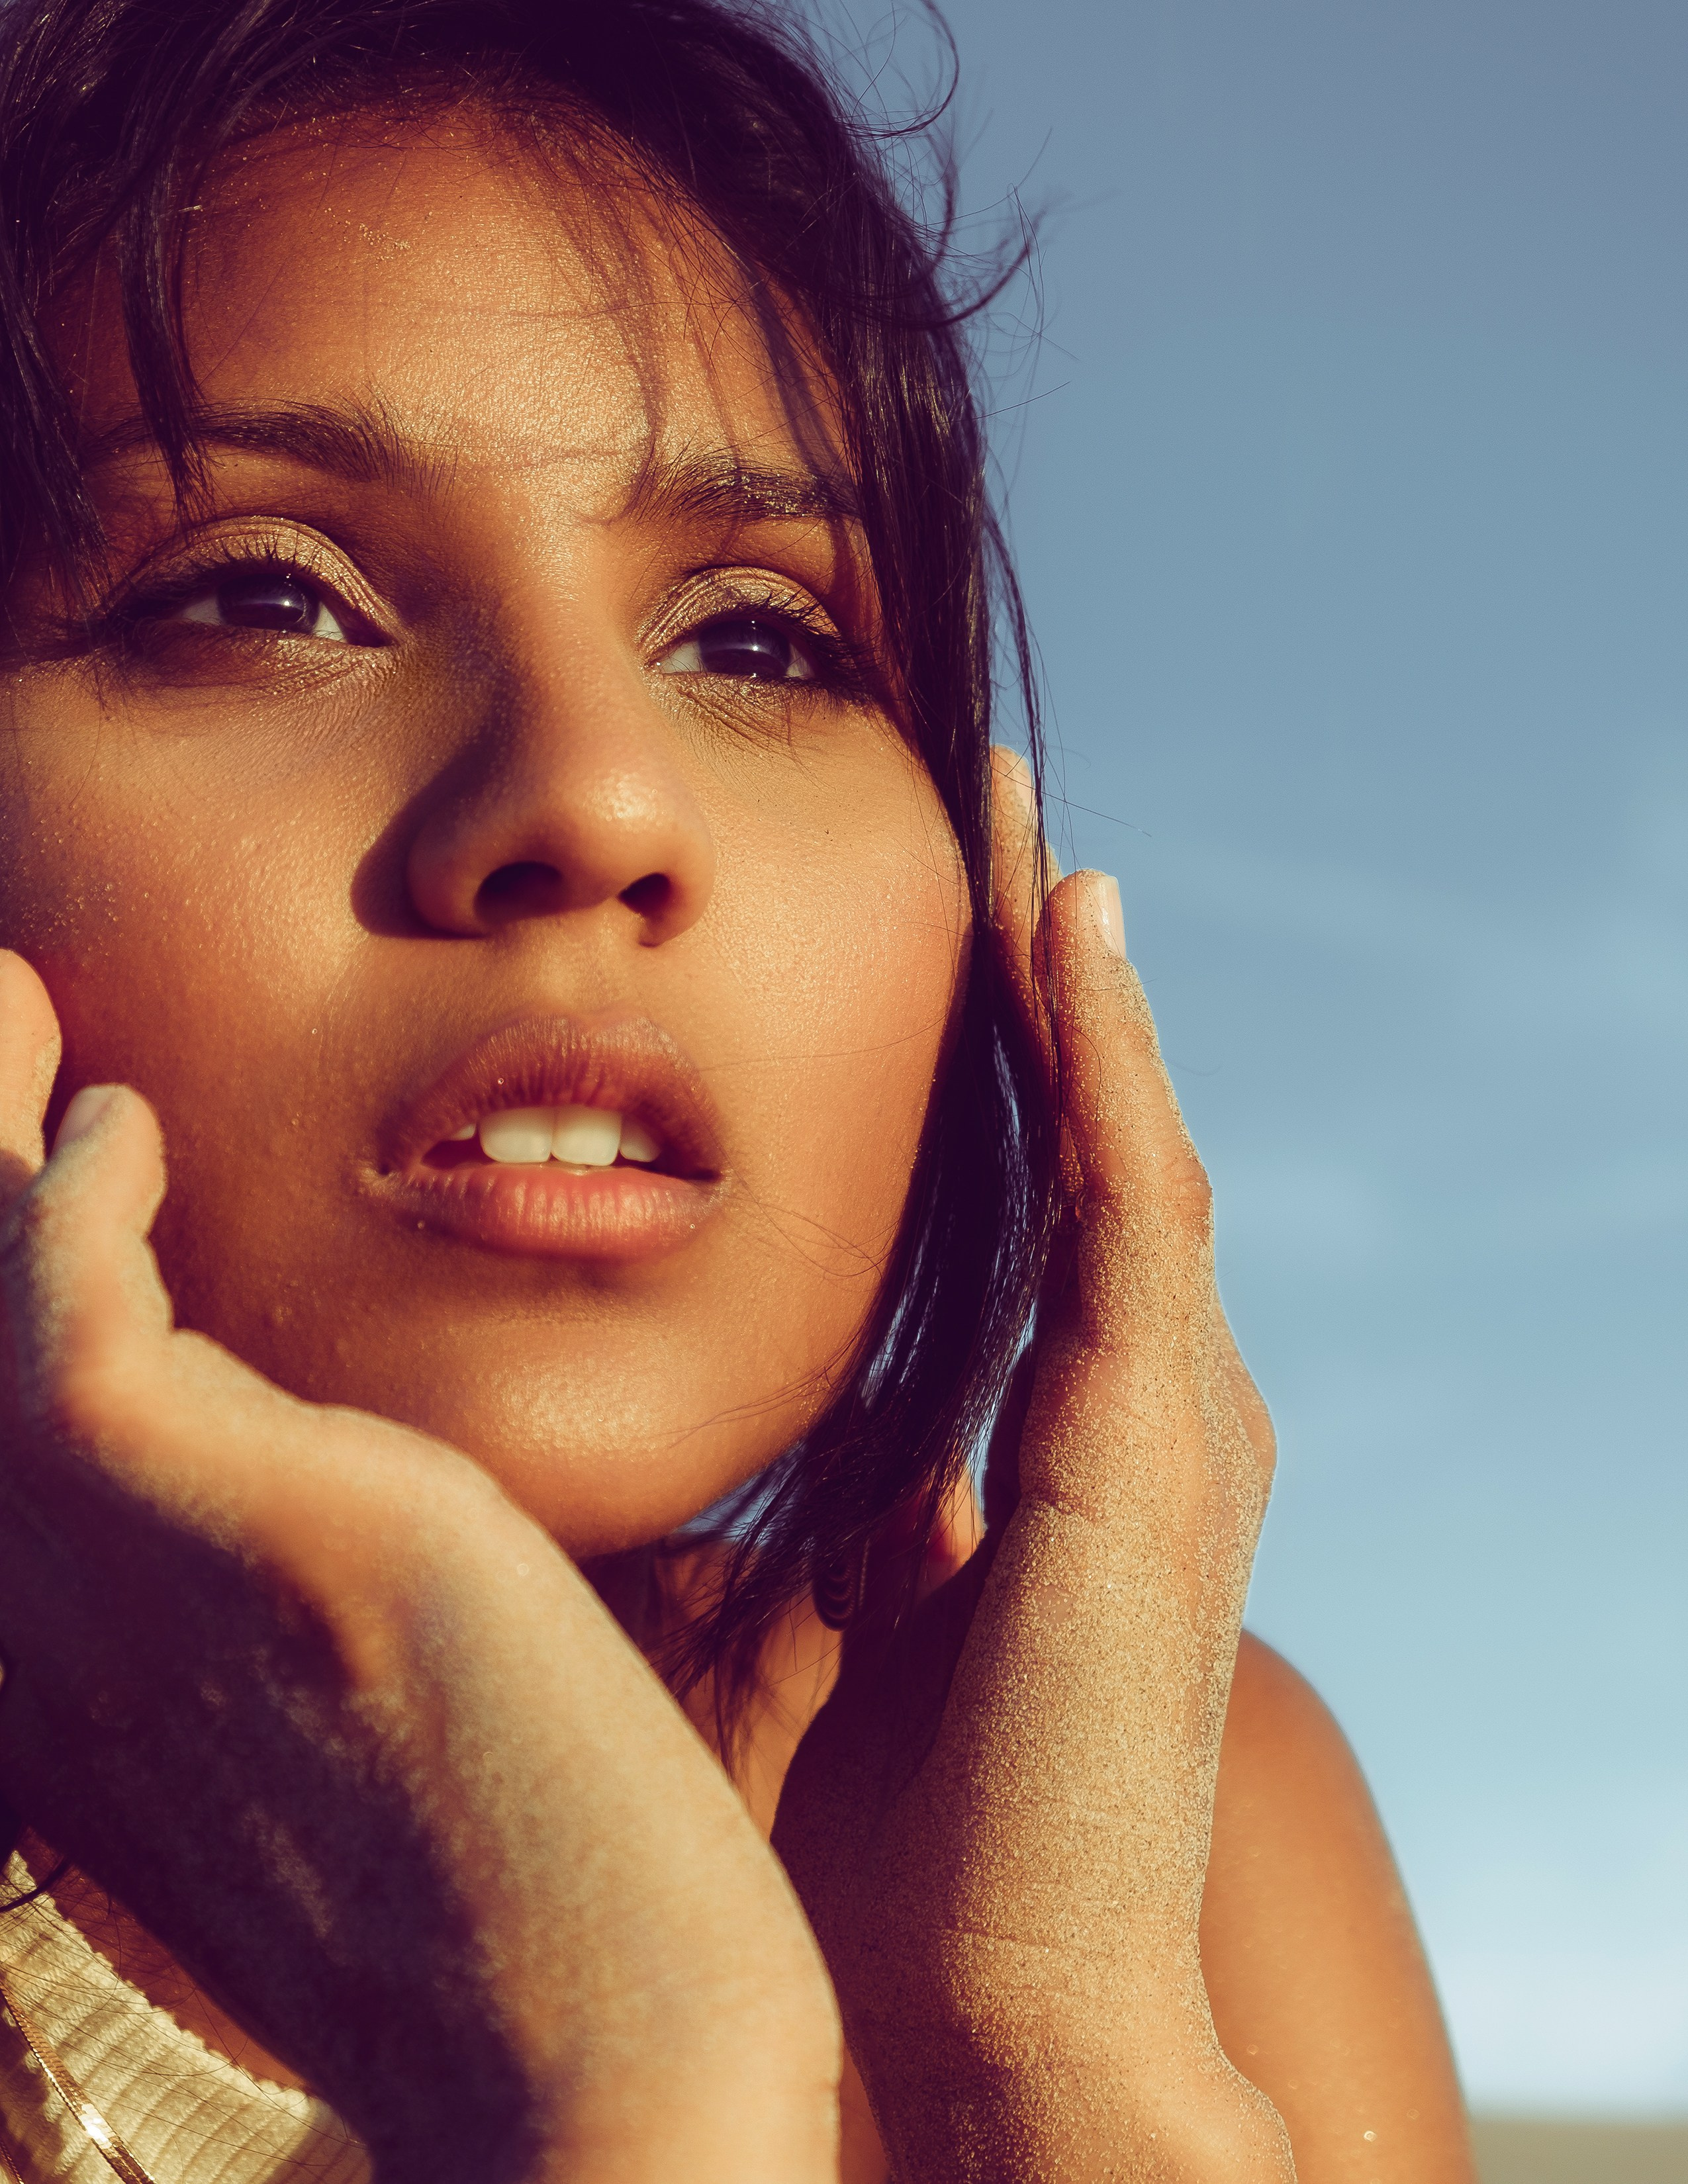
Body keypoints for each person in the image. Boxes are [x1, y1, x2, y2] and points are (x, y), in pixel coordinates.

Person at [0, 1, 1476, 2177]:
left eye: (758, 639)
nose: (599, 796)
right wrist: (631, 2092)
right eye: (265, 597)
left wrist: (1056, 2067)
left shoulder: (1159, 1859)